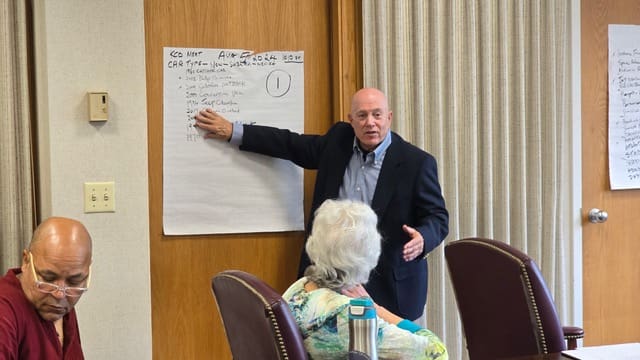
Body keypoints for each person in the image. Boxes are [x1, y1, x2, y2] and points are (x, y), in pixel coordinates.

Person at [194, 87, 448, 320]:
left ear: (389, 117)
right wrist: (234, 131)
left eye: (377, 115)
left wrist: (424, 238)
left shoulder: (416, 162)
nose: (370, 123)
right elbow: (289, 144)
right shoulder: (337, 142)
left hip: (389, 285)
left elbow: (437, 217)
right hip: (330, 279)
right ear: (351, 120)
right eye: (362, 116)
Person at [283, 199, 448, 359]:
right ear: (368, 255)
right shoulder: (352, 315)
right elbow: (436, 351)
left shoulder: (299, 288)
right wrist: (376, 308)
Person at [0, 217, 92, 359]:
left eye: (74, 281)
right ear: (26, 261)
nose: (59, 294)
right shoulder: (5, 310)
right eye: (48, 278)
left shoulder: (60, 300)